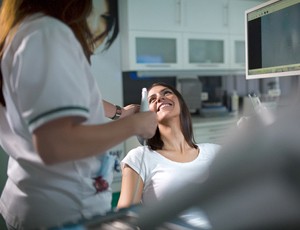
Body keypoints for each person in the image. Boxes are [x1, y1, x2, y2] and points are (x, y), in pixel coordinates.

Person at [0, 0, 157, 229]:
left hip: (33, 199)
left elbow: (57, 98)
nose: (95, 25)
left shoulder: (21, 34)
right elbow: (56, 144)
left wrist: (120, 114)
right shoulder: (48, 34)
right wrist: (135, 125)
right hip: (63, 211)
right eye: (96, 12)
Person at [117, 82, 221, 209]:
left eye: (167, 93)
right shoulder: (140, 157)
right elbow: (125, 218)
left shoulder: (215, 151)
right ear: (146, 114)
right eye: (152, 100)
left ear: (181, 104)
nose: (160, 98)